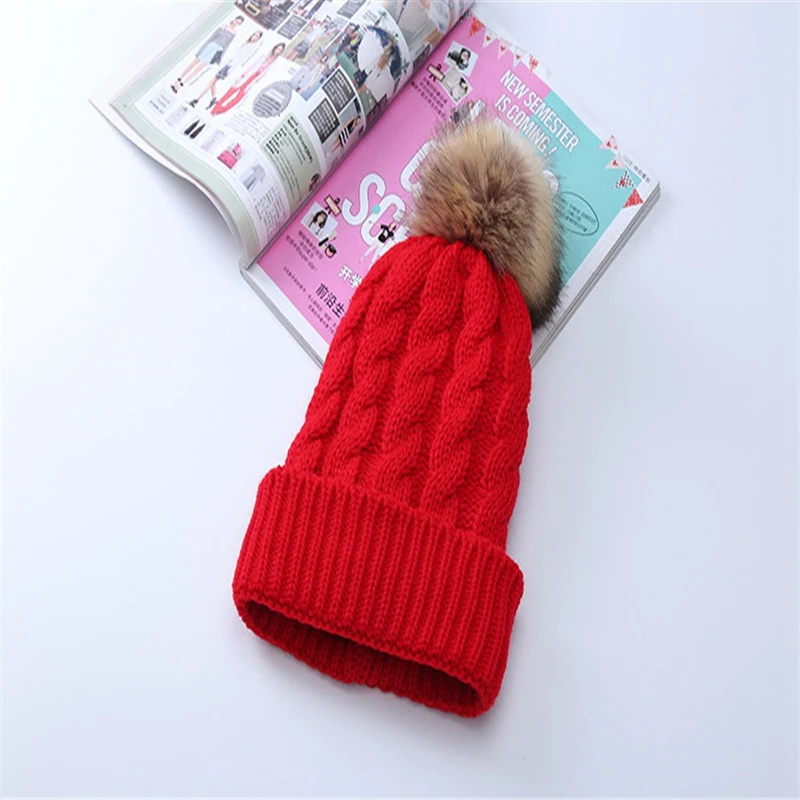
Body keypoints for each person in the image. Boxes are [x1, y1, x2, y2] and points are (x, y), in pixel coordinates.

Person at [189, 30, 263, 111]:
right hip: (227, 64)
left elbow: (241, 59)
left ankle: (196, 100)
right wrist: (223, 64)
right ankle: (213, 99)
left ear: (258, 38)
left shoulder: (251, 47)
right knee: (213, 83)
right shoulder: (247, 43)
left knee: (211, 82)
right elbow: (233, 55)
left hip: (229, 66)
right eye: (254, 34)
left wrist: (231, 68)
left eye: (256, 36)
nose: (254, 36)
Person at [211, 42, 286, 116]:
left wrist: (255, 83)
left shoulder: (274, 62)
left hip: (253, 80)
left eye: (280, 50)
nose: (277, 50)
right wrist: (242, 75)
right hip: (246, 75)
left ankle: (221, 111)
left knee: (238, 99)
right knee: (228, 94)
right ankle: (214, 110)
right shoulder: (264, 55)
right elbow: (252, 65)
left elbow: (264, 74)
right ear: (274, 48)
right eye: (277, 48)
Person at [171, 16, 244, 92]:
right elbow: (211, 38)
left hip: (217, 51)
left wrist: (220, 57)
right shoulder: (223, 26)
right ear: (234, 19)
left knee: (198, 69)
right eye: (236, 21)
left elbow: (227, 46)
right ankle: (178, 80)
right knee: (193, 64)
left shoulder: (234, 33)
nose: (236, 23)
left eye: (238, 23)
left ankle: (180, 85)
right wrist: (202, 48)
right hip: (210, 46)